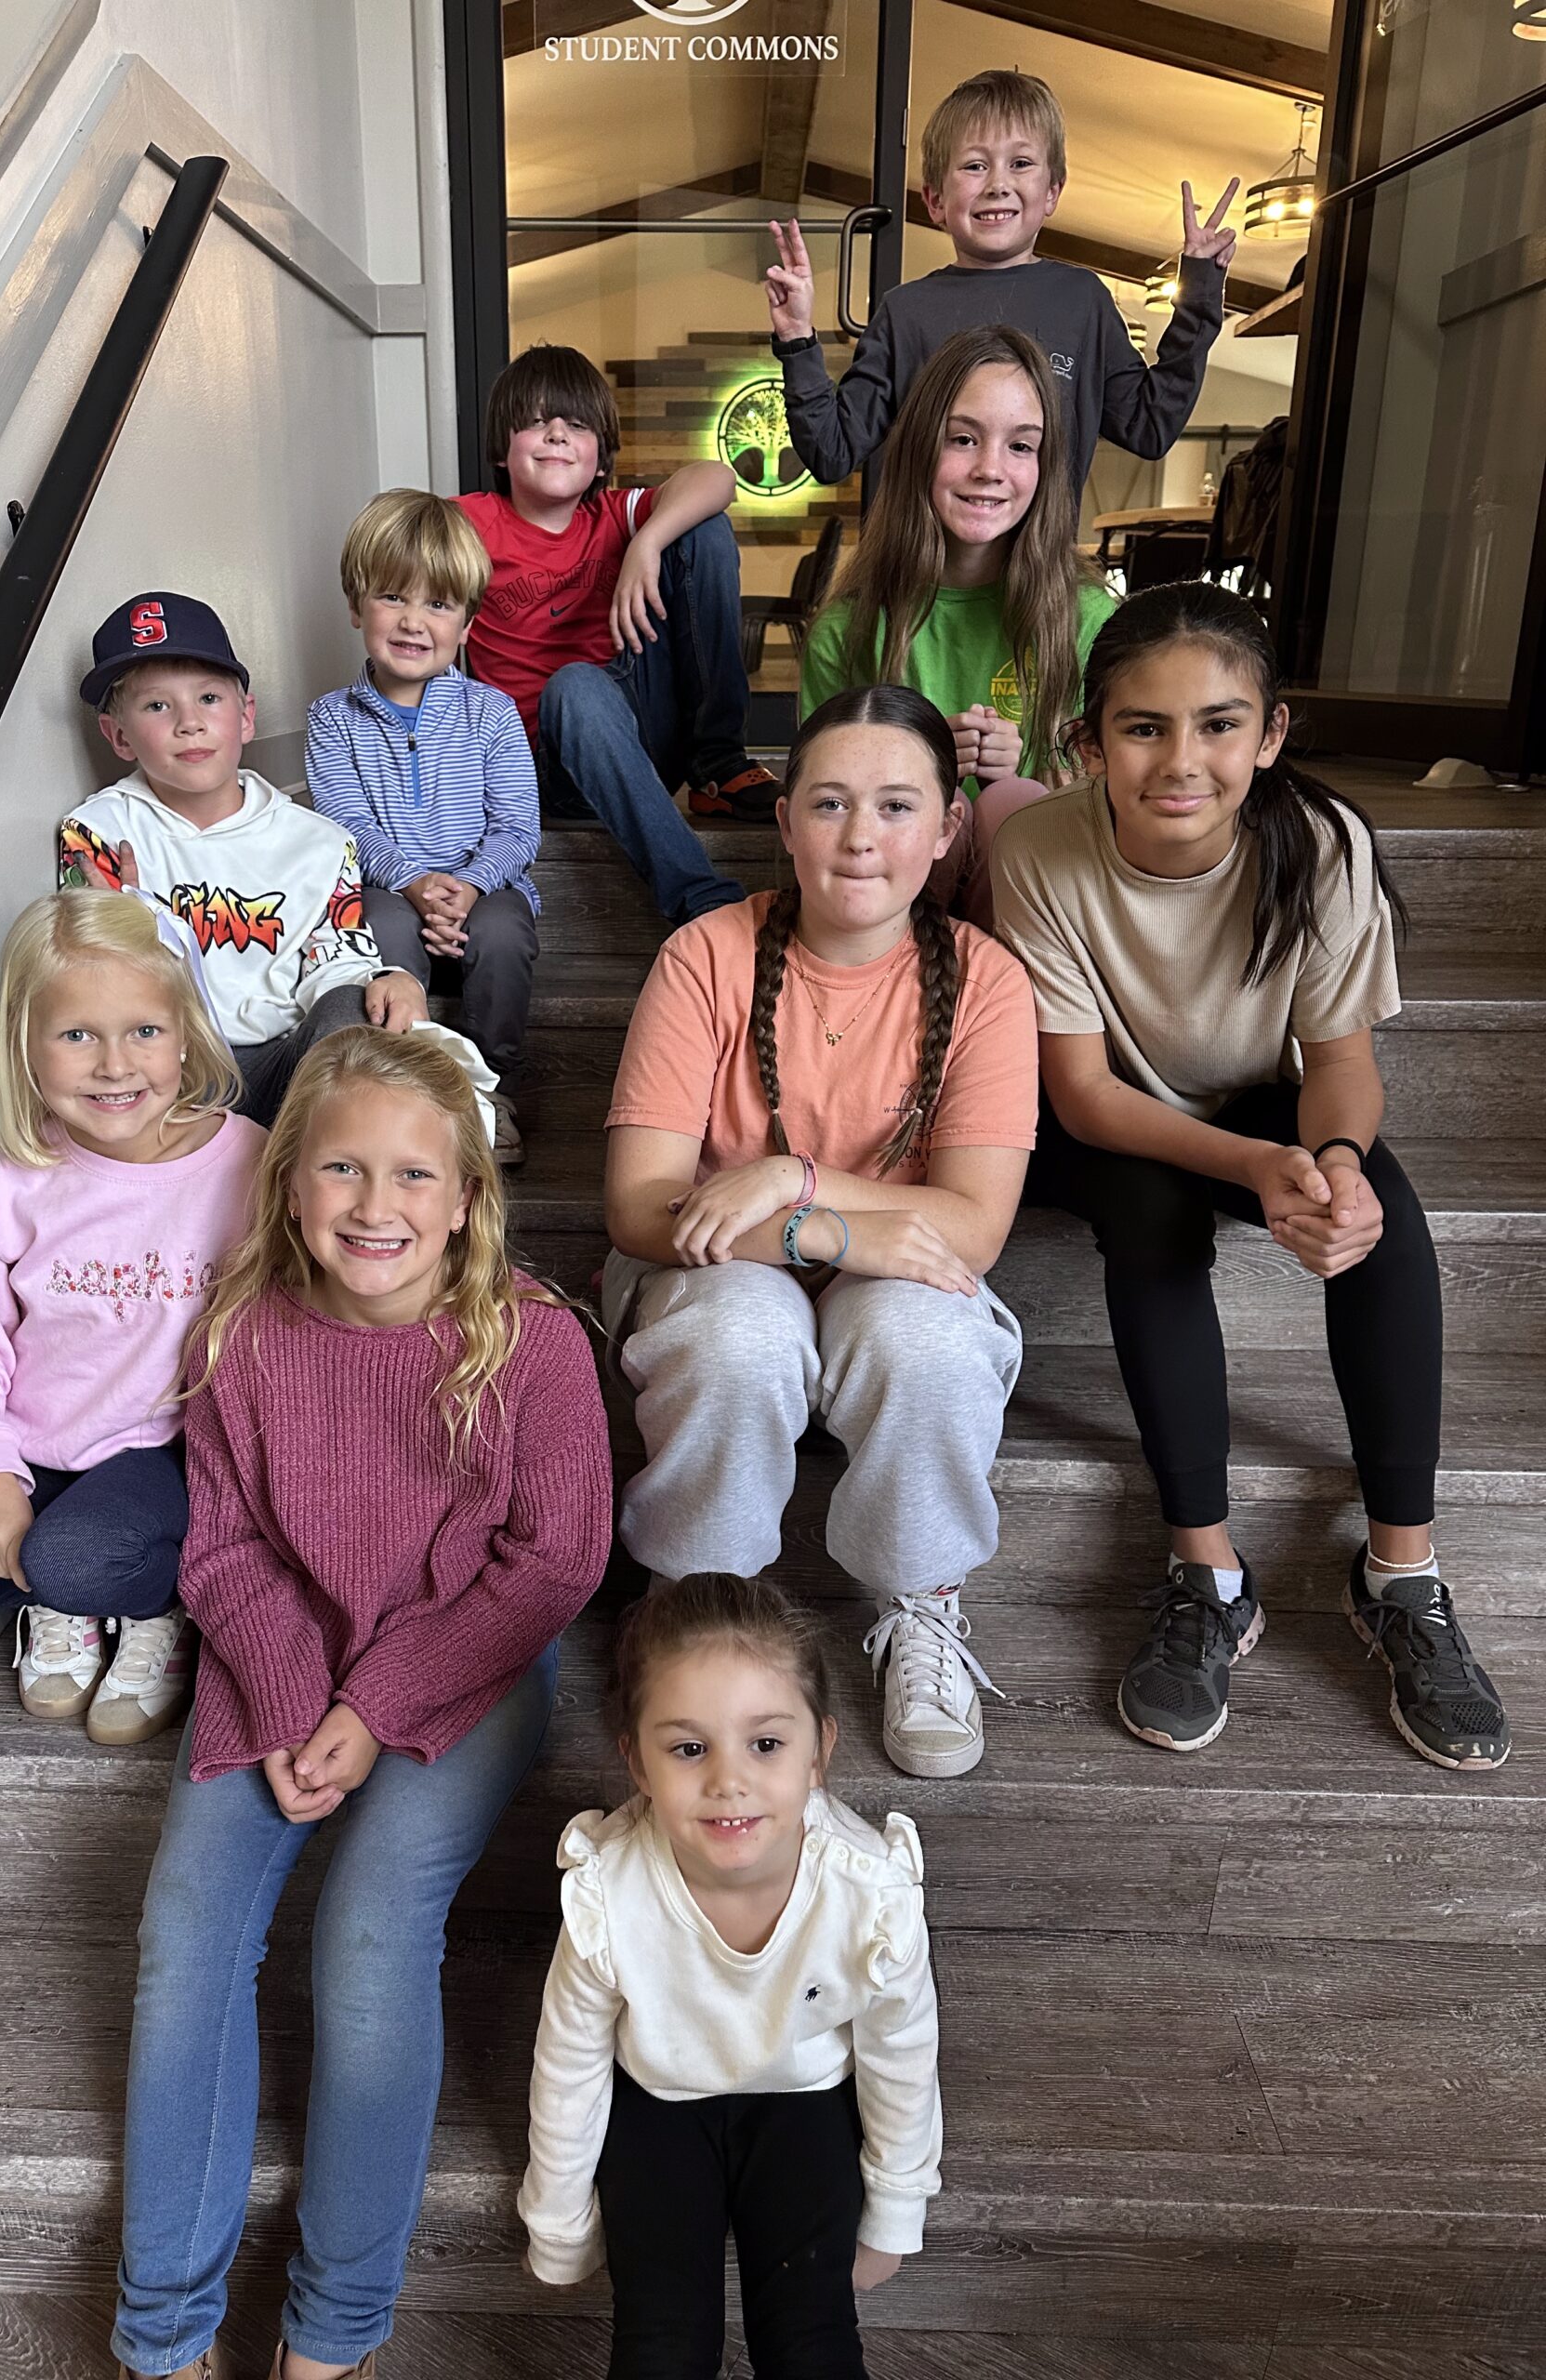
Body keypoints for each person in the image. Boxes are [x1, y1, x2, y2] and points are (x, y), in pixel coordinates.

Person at [112, 1027, 614, 2380]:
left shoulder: (535, 1342)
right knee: (185, 1939)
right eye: (341, 1167)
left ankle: (332, 2334)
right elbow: (223, 1549)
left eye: (412, 1175)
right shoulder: (242, 1333)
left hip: (468, 1661)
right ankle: (163, 2335)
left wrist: (378, 1701)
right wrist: (289, 1698)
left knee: (371, 1939)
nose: (375, 1205)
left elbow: (555, 1563)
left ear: (465, 1199)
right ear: (290, 1185)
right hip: (272, 1658)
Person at [990, 580, 1511, 1769]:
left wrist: (1330, 1162)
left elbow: (1342, 1064)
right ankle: (1208, 1571)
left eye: (1219, 724)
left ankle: (1402, 1571)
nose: (1183, 761)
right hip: (1104, 1117)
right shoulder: (1040, 850)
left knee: (1379, 1210)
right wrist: (1252, 1164)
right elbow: (1083, 1095)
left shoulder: (1321, 844)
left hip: (1260, 1099)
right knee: (1148, 1212)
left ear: (1270, 734)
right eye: (1144, 727)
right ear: (1088, 742)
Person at [601, 684, 1037, 1781]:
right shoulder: (705, 954)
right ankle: (699, 1605)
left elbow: (973, 1227)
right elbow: (642, 1207)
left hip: (882, 1269)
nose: (860, 837)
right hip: (710, 1269)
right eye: (831, 802)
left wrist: (795, 1184)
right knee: (740, 1332)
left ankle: (921, 1595)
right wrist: (827, 1236)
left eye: (897, 806)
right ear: (786, 818)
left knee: (927, 1334)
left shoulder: (985, 980)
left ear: (948, 828)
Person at [0, 892, 258, 1747]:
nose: (114, 1064)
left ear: (185, 1034)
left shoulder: (252, 1164)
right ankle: (71, 1584)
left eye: (144, 1031)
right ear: (24, 1047)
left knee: (77, 1558)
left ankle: (154, 1603)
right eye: (76, 1036)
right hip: (38, 1450)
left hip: (167, 1457)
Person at [521, 1572, 941, 2378]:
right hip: (659, 2105)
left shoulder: (870, 1895)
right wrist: (560, 2219)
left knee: (813, 2344)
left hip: (805, 2103)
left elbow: (902, 2053)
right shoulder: (609, 1892)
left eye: (766, 1744)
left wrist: (895, 2208)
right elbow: (568, 2060)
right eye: (689, 1749)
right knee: (660, 2349)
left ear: (819, 1751)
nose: (728, 1781)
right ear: (637, 1764)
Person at [765, 68, 1236, 496]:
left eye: (1021, 163)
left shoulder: (1083, 300)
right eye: (975, 165)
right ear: (934, 199)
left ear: (1052, 191)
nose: (997, 184)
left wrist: (1198, 296)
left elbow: (1150, 427)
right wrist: (797, 339)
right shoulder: (904, 312)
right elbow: (831, 452)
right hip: (923, 562)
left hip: (1043, 563)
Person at [60, 590, 428, 1129]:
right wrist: (133, 925)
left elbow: (338, 959)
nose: (189, 722)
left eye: (209, 698)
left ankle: (310, 1156)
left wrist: (388, 976)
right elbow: (90, 980)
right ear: (119, 735)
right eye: (157, 706)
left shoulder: (320, 842)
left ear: (246, 716)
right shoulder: (99, 833)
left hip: (289, 1063)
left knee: (352, 1006)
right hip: (172, 1067)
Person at [799, 324, 1115, 927]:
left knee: (1012, 801)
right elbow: (822, 809)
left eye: (1021, 446)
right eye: (963, 439)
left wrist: (1020, 773)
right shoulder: (846, 630)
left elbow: (1112, 813)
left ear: (1046, 465)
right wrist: (918, 764)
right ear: (919, 450)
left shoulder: (1090, 619)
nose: (990, 469)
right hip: (891, 911)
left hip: (1042, 916)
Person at [458, 343, 777, 925]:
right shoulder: (470, 524)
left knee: (702, 529)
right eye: (536, 421)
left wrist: (646, 543)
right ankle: (705, 906)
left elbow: (718, 478)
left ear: (601, 459)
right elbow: (398, 546)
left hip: (643, 739)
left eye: (577, 426)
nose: (557, 435)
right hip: (545, 768)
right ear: (502, 449)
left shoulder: (614, 515)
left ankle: (718, 764)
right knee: (576, 684)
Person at [306, 490, 540, 1169]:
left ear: (466, 623)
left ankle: (489, 1088)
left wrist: (470, 885)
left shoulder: (492, 713)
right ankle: (405, 1087)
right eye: (392, 597)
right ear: (357, 606)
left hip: (483, 889)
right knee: (378, 927)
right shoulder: (331, 718)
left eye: (438, 604)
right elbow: (345, 825)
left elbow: (518, 826)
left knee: (503, 933)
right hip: (388, 888)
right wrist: (410, 882)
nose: (413, 621)